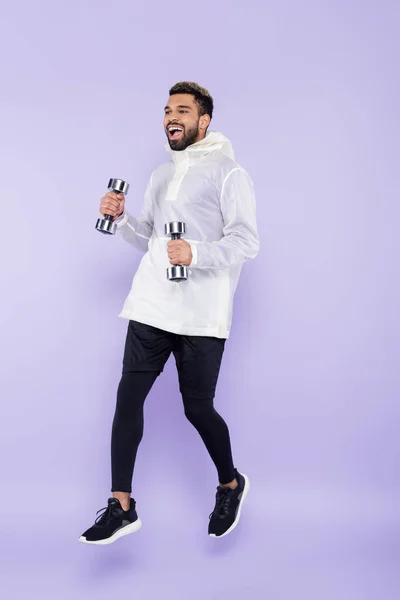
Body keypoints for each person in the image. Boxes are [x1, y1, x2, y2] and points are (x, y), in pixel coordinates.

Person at [79, 82, 259, 545]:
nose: (170, 117)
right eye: (166, 110)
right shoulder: (162, 174)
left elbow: (246, 241)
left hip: (201, 312)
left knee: (197, 408)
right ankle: (121, 506)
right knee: (127, 399)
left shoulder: (229, 173)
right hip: (152, 303)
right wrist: (121, 220)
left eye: (183, 110)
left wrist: (194, 253)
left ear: (205, 121)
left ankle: (230, 484)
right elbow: (151, 241)